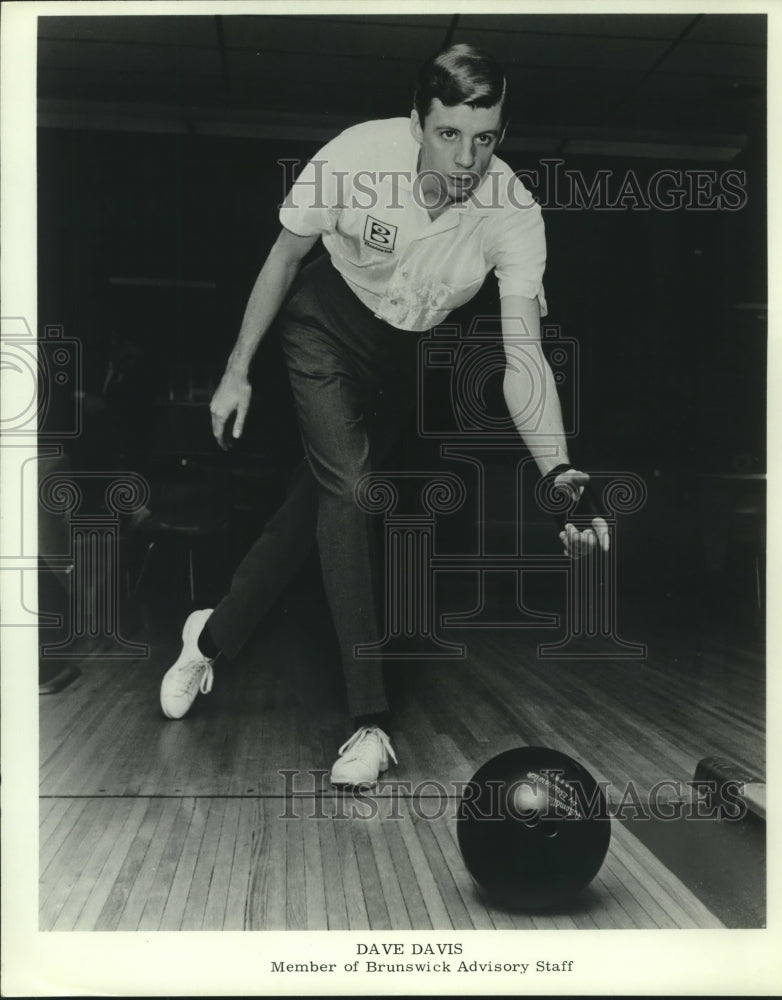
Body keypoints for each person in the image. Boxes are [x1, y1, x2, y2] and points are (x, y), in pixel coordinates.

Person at [159, 44, 609, 787]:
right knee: (351, 492)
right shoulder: (353, 158)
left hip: (404, 362)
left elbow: (522, 354)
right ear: (416, 122)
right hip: (322, 327)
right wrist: (237, 369)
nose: (467, 158)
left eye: (486, 137)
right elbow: (281, 258)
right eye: (448, 134)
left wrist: (556, 466)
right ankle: (368, 723)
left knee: (315, 509)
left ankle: (207, 638)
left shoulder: (513, 212)